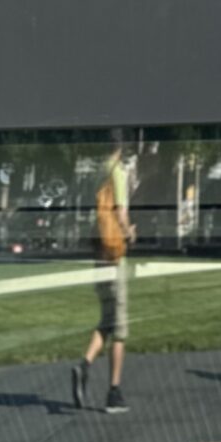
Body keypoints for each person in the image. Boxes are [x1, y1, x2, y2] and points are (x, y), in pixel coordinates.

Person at [71, 132, 134, 415]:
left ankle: (84, 364)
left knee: (106, 319)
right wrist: (130, 232)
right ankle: (114, 392)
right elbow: (120, 213)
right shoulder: (117, 172)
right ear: (121, 148)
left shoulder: (97, 172)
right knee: (119, 328)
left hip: (98, 255)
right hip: (114, 255)